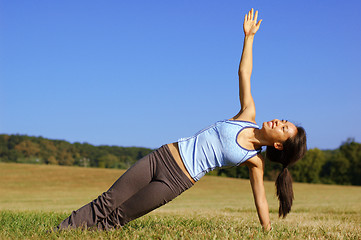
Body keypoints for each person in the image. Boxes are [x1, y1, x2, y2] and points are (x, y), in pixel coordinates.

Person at [55, 8, 306, 232]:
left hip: (175, 181)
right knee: (108, 201)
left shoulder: (254, 161)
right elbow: (244, 72)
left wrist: (267, 230)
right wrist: (249, 38)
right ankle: (59, 232)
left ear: (279, 145)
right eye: (282, 120)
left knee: (117, 218)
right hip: (162, 157)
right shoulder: (247, 114)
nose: (277, 121)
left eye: (283, 128)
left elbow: (260, 198)